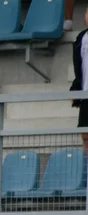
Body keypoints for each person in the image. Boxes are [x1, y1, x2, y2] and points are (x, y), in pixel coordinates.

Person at [70, 7, 88, 153]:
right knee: (85, 133)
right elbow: (79, 67)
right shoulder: (81, 38)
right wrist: (76, 88)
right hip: (86, 93)